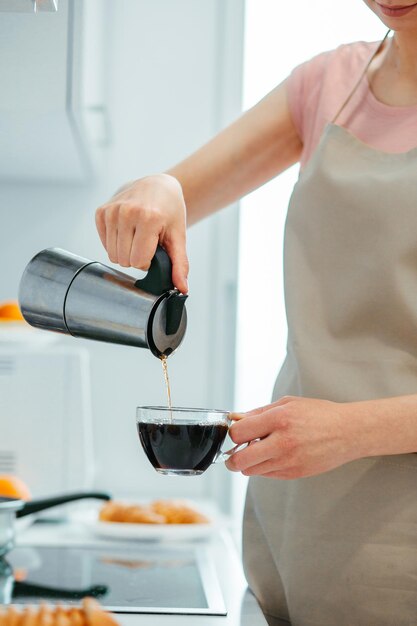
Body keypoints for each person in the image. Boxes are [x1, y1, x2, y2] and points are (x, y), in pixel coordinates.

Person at [95, 2, 417, 624]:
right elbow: (176, 191)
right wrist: (159, 189)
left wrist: (350, 430)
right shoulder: (328, 86)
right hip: (293, 533)